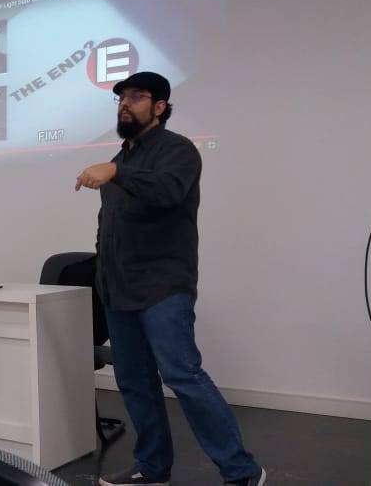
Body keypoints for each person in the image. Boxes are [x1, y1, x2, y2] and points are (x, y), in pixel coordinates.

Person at [74, 73, 266, 486]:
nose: (126, 103)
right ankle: (152, 468)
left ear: (159, 107)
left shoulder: (177, 151)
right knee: (134, 382)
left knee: (183, 375)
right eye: (121, 98)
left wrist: (115, 172)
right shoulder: (120, 159)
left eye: (137, 97)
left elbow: (168, 191)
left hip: (163, 286)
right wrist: (102, 277)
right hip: (119, 290)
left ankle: (242, 471)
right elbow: (109, 225)